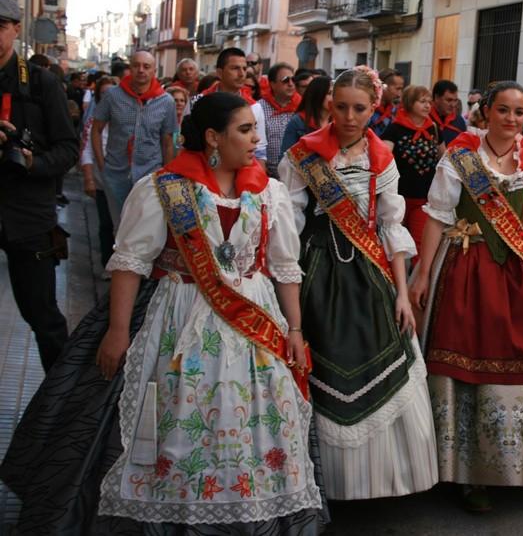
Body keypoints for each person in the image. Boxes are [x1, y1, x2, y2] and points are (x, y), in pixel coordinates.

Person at [0, 91, 328, 532]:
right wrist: (118, 331)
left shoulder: (269, 192)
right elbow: (131, 263)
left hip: (254, 323)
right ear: (213, 137)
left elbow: (285, 268)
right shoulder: (163, 188)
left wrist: (295, 330)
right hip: (174, 312)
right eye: (246, 130)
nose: (257, 140)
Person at [410, 81, 523, 513]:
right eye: (504, 110)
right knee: (467, 362)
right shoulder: (461, 155)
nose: (512, 119)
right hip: (467, 269)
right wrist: (423, 273)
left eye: (519, 113)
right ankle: (468, 473)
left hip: (519, 273)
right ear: (486, 112)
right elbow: (437, 217)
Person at [279, 66, 438, 501]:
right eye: (342, 107)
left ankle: (380, 481)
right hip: (317, 272)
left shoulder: (381, 158)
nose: (350, 117)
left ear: (374, 109)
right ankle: (326, 483)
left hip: (370, 274)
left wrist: (402, 294)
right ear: (329, 105)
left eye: (360, 109)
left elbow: (390, 227)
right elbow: (289, 227)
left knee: (385, 360)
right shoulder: (302, 156)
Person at [0, 0, 78, 371]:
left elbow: (68, 149)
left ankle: (59, 400)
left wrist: (31, 160)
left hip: (28, 216)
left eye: (0, 26)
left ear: (16, 29)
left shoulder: (40, 84)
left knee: (44, 318)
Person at [91, 50, 177, 225]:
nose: (141, 70)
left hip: (150, 174)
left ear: (154, 71)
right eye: (136, 65)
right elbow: (96, 130)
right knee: (120, 226)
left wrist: (166, 174)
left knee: (145, 226)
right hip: (116, 173)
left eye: (146, 66)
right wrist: (101, 165)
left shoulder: (166, 101)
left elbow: (168, 141)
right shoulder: (113, 96)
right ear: (130, 68)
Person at [381, 85, 442, 260]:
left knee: (420, 246)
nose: (427, 105)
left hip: (424, 198)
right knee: (393, 245)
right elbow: (383, 158)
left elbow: (444, 158)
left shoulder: (434, 128)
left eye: (429, 102)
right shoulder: (395, 129)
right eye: (422, 101)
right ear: (409, 102)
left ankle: (416, 277)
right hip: (398, 197)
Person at [192, 48, 267, 168]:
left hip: (243, 171)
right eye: (235, 68)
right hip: (201, 168)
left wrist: (258, 177)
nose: (242, 74)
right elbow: (184, 141)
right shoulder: (198, 102)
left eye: (244, 68)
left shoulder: (254, 107)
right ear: (219, 73)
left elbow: (260, 151)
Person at [82, 75, 121, 268]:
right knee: (106, 223)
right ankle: (107, 262)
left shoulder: (126, 119)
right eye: (104, 93)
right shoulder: (93, 123)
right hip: (102, 183)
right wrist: (89, 179)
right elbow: (86, 151)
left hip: (123, 181)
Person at [259, 62, 301, 177]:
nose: (291, 84)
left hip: (296, 176)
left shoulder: (301, 107)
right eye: (285, 80)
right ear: (272, 84)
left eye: (293, 80)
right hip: (268, 175)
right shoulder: (259, 108)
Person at [280, 75, 333, 158]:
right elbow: (286, 158)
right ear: (318, 95)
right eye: (329, 93)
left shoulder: (337, 122)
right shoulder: (298, 122)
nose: (334, 98)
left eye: (336, 93)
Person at [429, 79, 466, 145]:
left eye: (455, 100)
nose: (453, 105)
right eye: (449, 100)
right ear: (436, 98)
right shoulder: (424, 118)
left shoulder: (459, 121)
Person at [368, 68, 404, 137]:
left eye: (401, 89)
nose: (399, 94)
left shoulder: (395, 111)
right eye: (397, 89)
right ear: (383, 86)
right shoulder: (367, 109)